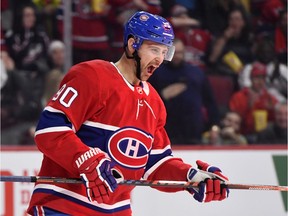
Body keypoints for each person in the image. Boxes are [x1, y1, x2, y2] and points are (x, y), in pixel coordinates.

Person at [27, 11, 229, 215]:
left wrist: (192, 177)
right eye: (154, 49)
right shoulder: (92, 76)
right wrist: (85, 159)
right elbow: (49, 130)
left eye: (164, 52)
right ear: (132, 44)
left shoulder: (154, 103)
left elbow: (156, 165)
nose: (159, 59)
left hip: (116, 210)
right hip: (62, 204)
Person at [149, 38, 220, 144]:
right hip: (167, 129)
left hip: (193, 129)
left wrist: (214, 126)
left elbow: (210, 102)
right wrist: (163, 95)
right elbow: (148, 102)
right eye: (175, 52)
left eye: (181, 52)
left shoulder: (196, 73)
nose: (178, 56)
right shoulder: (156, 73)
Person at [229, 62, 278, 142]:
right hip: (242, 135)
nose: (260, 81)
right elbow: (234, 121)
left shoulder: (269, 97)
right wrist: (248, 107)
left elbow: (277, 122)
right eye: (257, 78)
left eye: (263, 78)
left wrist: (272, 110)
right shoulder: (239, 97)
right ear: (251, 78)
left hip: (264, 136)